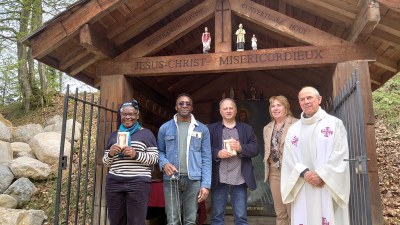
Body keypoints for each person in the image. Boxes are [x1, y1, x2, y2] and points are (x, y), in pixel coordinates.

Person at [281, 87, 350, 225]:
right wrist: (305, 173)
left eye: (309, 98)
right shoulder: (293, 130)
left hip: (327, 183)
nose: (306, 102)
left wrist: (321, 175)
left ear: (319, 100)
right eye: (302, 99)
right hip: (303, 184)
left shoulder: (334, 124)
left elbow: (340, 154)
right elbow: (289, 158)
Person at [158, 93, 211, 225]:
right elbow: (159, 151)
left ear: (192, 107)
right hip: (171, 180)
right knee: (172, 220)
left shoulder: (202, 129)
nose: (184, 105)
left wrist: (205, 184)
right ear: (176, 107)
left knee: (190, 221)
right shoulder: (165, 128)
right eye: (181, 103)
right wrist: (164, 163)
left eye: (188, 103)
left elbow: (207, 158)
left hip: (193, 180)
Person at [102, 99, 158, 225]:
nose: (128, 117)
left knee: (136, 221)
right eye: (124, 114)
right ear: (120, 116)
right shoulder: (113, 135)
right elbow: (105, 162)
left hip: (138, 183)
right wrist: (111, 153)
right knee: (116, 220)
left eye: (131, 114)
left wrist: (136, 154)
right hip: (114, 182)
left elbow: (154, 158)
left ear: (137, 116)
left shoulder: (146, 134)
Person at [208, 98, 259, 225]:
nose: (229, 110)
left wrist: (241, 147)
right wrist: (217, 153)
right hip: (219, 178)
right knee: (217, 216)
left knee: (241, 217)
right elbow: (204, 149)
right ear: (220, 111)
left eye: (231, 108)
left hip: (239, 178)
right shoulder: (212, 128)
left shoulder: (246, 128)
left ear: (236, 111)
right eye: (225, 108)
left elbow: (255, 149)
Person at [263, 96, 298, 225]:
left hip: (291, 171)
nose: (275, 108)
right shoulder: (267, 128)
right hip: (274, 172)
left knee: (293, 210)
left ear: (286, 107)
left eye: (279, 105)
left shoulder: (296, 124)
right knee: (280, 211)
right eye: (273, 106)